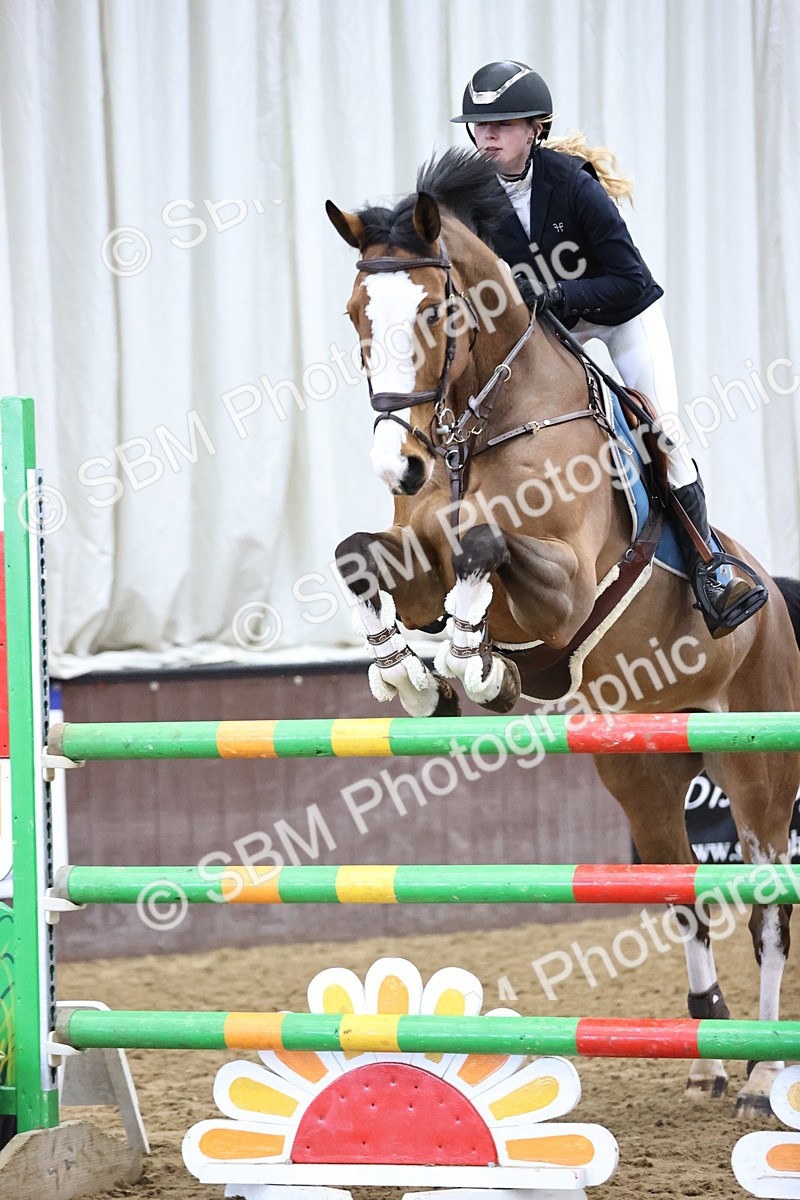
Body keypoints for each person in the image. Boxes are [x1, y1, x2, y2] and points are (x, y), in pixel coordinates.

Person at [451, 60, 767, 637]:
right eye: (479, 126)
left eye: (502, 124)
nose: (487, 136)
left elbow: (632, 281)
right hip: (549, 333)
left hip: (618, 317)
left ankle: (710, 570)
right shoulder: (473, 202)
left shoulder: (572, 184)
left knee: (662, 431)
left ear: (535, 129)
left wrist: (554, 292)